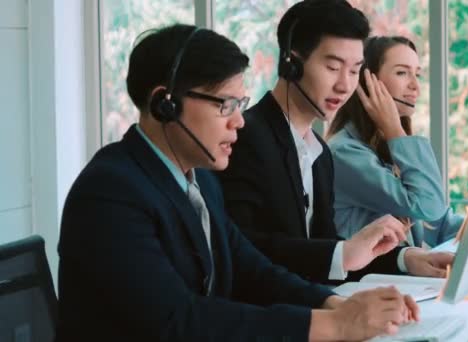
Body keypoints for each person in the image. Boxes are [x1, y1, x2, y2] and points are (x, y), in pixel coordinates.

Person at [56, 24, 419, 342]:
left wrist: (337, 304)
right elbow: (177, 321)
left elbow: (252, 270)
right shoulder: (110, 192)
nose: (240, 122)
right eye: (225, 105)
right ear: (164, 104)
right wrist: (335, 326)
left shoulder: (202, 182)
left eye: (240, 104)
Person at [217, 0, 454, 283]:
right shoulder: (246, 138)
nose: (345, 85)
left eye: (354, 71)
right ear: (291, 64)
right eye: (333, 67)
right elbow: (243, 251)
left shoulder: (320, 155)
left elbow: (329, 254)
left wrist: (405, 258)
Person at [326, 36, 464, 247]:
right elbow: (429, 206)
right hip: (375, 278)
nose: (415, 86)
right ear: (367, 83)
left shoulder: (387, 147)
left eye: (417, 74)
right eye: (402, 73)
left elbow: (439, 222)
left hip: (405, 276)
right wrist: (394, 129)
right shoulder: (345, 154)